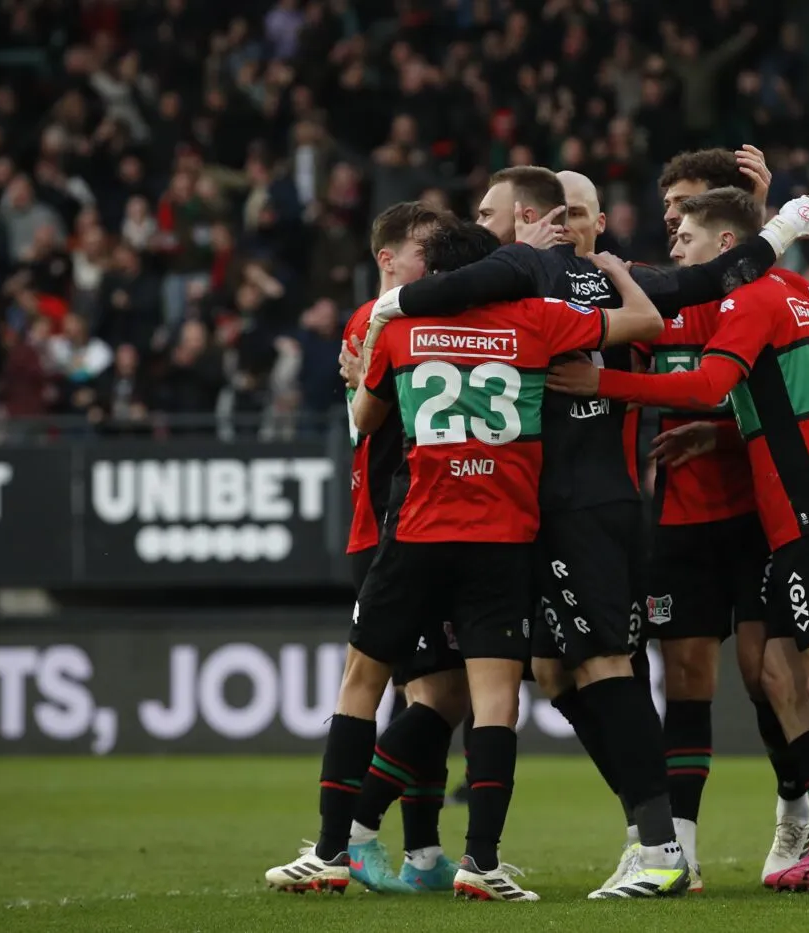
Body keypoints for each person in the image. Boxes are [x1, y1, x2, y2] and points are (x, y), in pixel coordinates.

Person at [363, 166, 809, 899]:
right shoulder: (613, 281)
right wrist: (784, 225)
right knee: (556, 673)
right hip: (554, 512)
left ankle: (661, 843)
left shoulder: (524, 270)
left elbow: (434, 298)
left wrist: (384, 310)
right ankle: (646, 835)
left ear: (536, 218)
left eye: (489, 213)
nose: (478, 225)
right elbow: (721, 274)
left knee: (604, 667)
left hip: (585, 506)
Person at [547, 188, 809, 897]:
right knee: (783, 680)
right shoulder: (801, 293)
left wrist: (601, 379)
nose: (677, 252)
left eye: (688, 239)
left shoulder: (750, 301)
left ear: (727, 246)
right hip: (807, 507)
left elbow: (706, 384)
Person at [305, 220, 667, 902]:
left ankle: (330, 851)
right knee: (494, 699)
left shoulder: (402, 329)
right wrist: (612, 270)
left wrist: (363, 373)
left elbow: (367, 417)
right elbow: (645, 319)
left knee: (362, 684)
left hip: (416, 531)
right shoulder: (538, 318)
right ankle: (483, 862)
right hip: (502, 534)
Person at [265, 202, 467, 895]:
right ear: (388, 259)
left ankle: (423, 852)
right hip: (395, 528)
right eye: (424, 250)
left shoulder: (400, 314)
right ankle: (346, 837)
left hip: (408, 524)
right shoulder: (385, 316)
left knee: (429, 692)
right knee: (440, 691)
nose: (436, 264)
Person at [648, 148, 809, 886]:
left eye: (687, 208)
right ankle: (679, 845)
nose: (673, 220)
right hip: (679, 514)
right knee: (685, 676)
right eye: (667, 210)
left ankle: (794, 808)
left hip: (756, 510)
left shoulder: (759, 296)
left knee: (762, 674)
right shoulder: (652, 297)